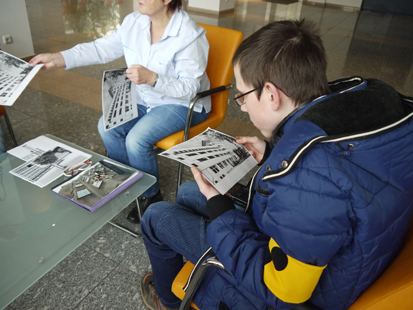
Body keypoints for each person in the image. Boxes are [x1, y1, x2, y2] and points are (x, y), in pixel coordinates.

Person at [139, 19, 413, 310]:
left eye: (243, 97)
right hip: (353, 254)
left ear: (271, 94)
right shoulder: (372, 106)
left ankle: (167, 301)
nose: (242, 107)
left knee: (156, 217)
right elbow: (338, 175)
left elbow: (282, 290)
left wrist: (219, 206)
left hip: (290, 293)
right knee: (187, 193)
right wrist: (273, 153)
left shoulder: (306, 175)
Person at [29, 0, 211, 224]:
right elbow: (100, 48)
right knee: (107, 125)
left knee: (137, 139)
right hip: (144, 97)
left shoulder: (190, 34)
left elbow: (190, 87)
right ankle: (127, 182)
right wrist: (59, 58)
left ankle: (151, 195)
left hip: (182, 103)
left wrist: (154, 78)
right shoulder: (133, 22)